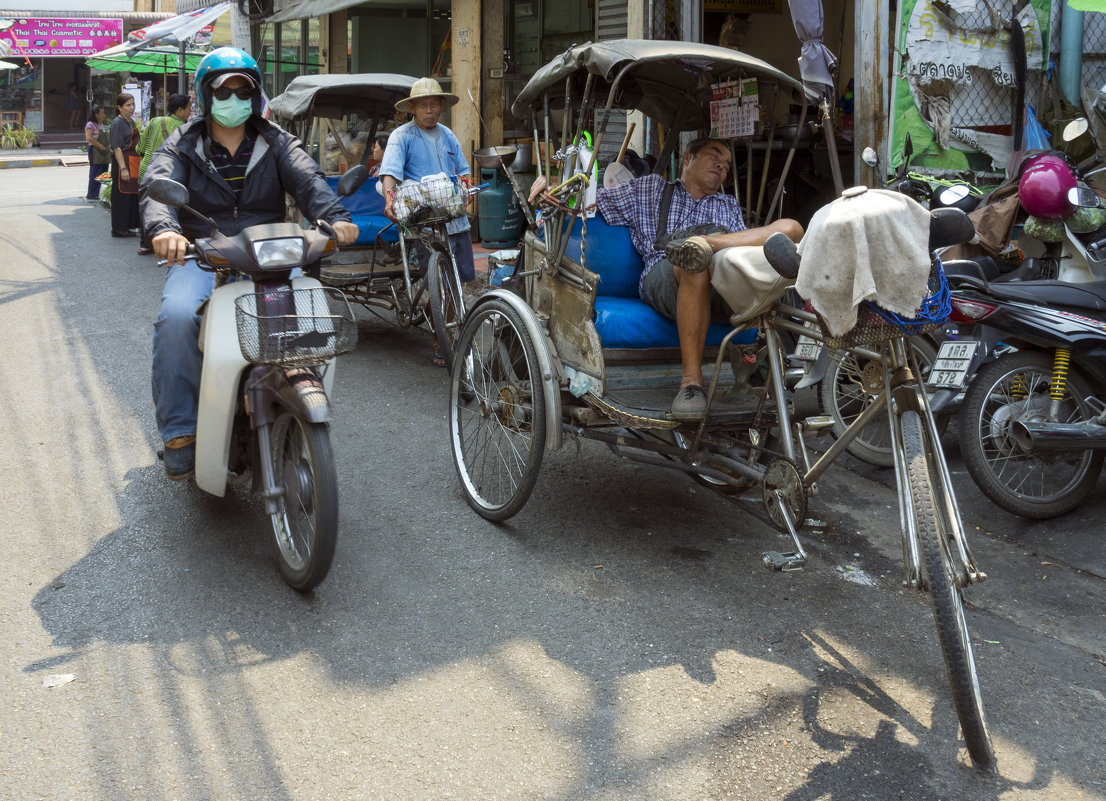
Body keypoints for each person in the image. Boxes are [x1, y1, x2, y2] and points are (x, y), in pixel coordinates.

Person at [142, 47, 359, 480]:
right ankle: (181, 429)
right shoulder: (183, 144)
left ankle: (296, 387)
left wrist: (336, 219)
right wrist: (165, 229)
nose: (235, 99)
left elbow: (310, 181)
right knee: (178, 316)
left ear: (256, 94)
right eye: (225, 91)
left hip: (271, 252)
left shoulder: (277, 141)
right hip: (203, 253)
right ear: (206, 96)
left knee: (310, 316)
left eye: (244, 90)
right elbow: (155, 184)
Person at [533, 137, 803, 420]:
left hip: (724, 281)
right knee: (692, 262)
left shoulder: (727, 204)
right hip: (665, 275)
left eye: (726, 166)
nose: (722, 166)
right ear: (687, 159)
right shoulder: (651, 189)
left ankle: (708, 248)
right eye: (714, 156)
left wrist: (713, 245)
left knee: (792, 228)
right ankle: (691, 385)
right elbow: (588, 202)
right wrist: (550, 187)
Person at [378, 78, 474, 368]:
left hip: (453, 220)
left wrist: (466, 195)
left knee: (459, 280)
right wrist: (390, 200)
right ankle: (440, 339)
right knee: (438, 282)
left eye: (434, 104)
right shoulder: (401, 136)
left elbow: (465, 173)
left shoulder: (448, 136)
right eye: (423, 105)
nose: (429, 110)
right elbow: (390, 174)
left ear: (441, 106)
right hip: (422, 224)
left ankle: (455, 330)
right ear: (413, 109)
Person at [134, 93, 191, 255]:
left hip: (145, 170)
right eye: (188, 109)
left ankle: (145, 243)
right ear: (180, 110)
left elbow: (140, 148)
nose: (189, 112)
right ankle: (169, 239)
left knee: (147, 202)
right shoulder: (183, 130)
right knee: (170, 204)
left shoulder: (154, 121)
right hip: (170, 173)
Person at [109, 93, 142, 238]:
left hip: (132, 162)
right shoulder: (117, 123)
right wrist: (123, 168)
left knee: (131, 196)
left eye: (133, 104)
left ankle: (128, 226)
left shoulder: (131, 121)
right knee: (121, 196)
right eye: (128, 105)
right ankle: (119, 229)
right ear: (119, 107)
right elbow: (116, 147)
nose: (132, 108)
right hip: (122, 162)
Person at [83, 105, 111, 201]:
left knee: (103, 173)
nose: (104, 115)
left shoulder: (101, 124)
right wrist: (100, 145)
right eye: (102, 113)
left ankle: (99, 193)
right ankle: (92, 193)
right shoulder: (90, 124)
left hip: (103, 152)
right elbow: (89, 138)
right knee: (95, 172)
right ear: (96, 114)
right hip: (95, 151)